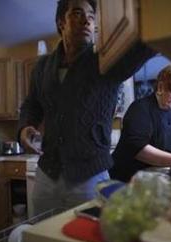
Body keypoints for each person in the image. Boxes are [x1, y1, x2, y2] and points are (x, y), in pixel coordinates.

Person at [18, 0, 155, 215]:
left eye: (92, 17)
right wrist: (26, 126)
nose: (87, 21)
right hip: (48, 172)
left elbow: (143, 46)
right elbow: (32, 104)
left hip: (90, 175)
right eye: (77, 13)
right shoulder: (41, 67)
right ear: (60, 22)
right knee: (41, 235)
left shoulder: (105, 59)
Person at [110, 65, 171, 182]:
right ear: (161, 87)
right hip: (128, 181)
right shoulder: (140, 109)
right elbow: (138, 149)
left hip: (157, 179)